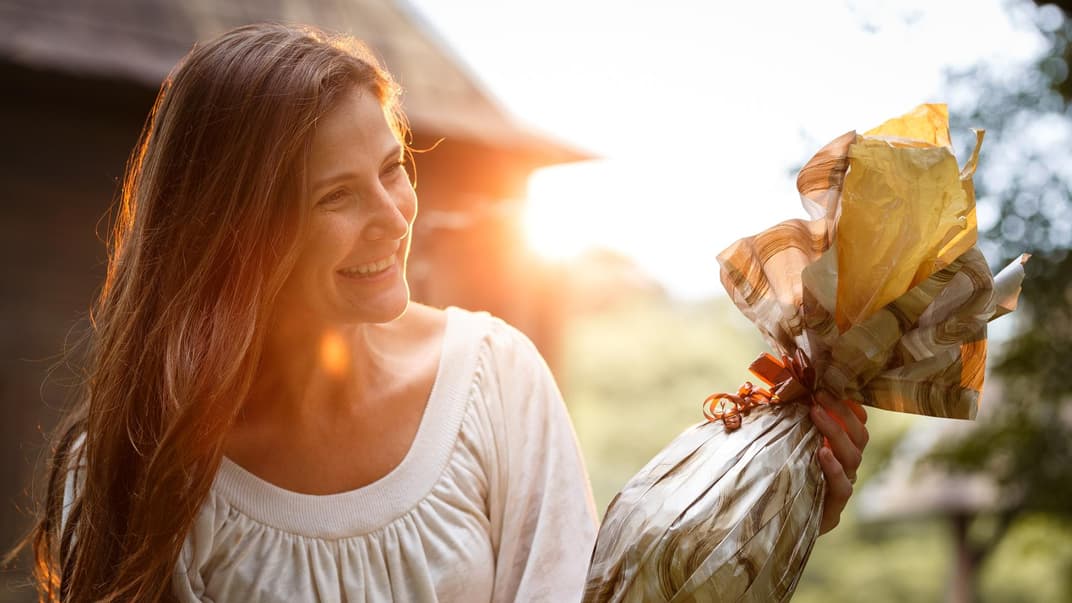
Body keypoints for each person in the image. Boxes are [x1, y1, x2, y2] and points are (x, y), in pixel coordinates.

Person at [16, 23, 868, 602]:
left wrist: (767, 507)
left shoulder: (495, 381)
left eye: (393, 168)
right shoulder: (131, 460)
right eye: (336, 195)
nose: (393, 217)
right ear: (235, 235)